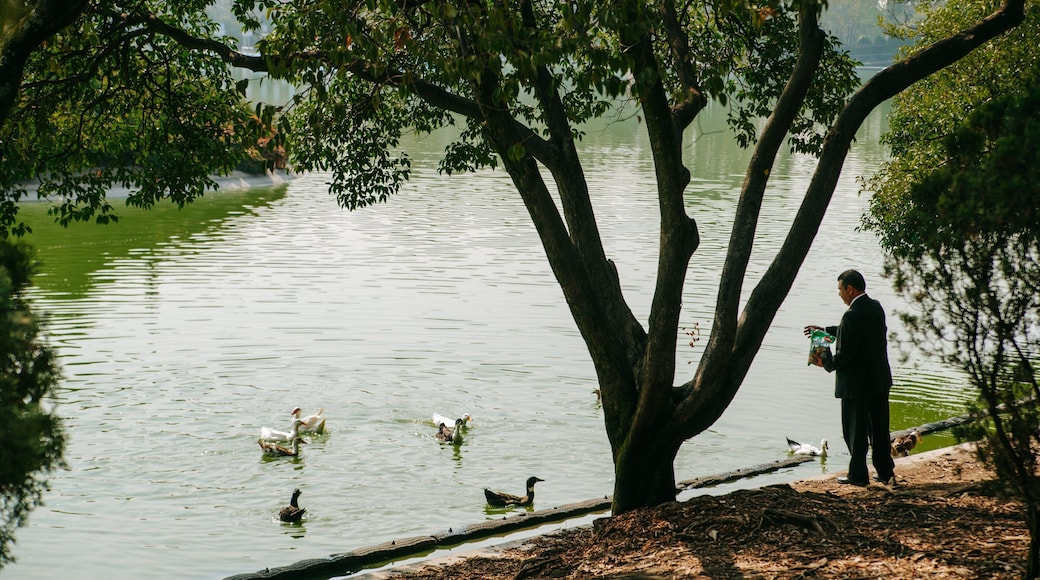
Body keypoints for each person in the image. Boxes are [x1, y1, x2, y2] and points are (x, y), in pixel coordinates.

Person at [804, 269, 895, 487]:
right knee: (880, 431)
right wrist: (826, 330)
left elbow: (845, 355)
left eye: (840, 290)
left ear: (850, 289)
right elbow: (857, 332)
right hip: (879, 381)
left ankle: (858, 476)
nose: (840, 294)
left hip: (857, 386)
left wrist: (824, 361)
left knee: (855, 433)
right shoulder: (875, 307)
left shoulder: (851, 315)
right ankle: (885, 472)